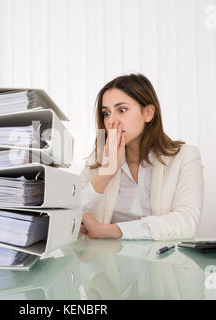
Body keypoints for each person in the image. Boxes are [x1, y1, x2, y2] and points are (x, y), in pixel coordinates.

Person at [79, 73, 204, 241]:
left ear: (148, 113)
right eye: (106, 113)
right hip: (107, 262)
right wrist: (105, 174)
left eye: (121, 110)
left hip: (162, 262)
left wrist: (108, 231)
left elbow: (186, 222)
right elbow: (69, 213)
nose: (111, 121)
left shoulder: (185, 157)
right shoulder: (99, 158)